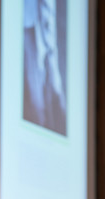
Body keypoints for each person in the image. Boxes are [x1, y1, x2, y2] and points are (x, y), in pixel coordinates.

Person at [23, 0, 67, 135]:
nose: (48, 16)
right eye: (44, 8)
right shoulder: (25, 44)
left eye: (50, 11)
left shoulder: (57, 48)